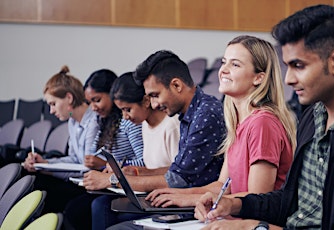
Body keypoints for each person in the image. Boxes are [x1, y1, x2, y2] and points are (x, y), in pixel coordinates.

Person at [194, 5, 334, 230]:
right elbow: (289, 200)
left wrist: (255, 228)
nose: (288, 79)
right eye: (287, 67)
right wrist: (233, 204)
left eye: (298, 66)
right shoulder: (313, 116)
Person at [146, 35, 297, 209]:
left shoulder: (262, 124)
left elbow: (258, 198)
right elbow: (222, 186)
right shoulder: (239, 122)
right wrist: (180, 194)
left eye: (235, 64)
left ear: (259, 78)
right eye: (224, 62)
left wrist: (192, 200)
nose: (223, 70)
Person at [106, 50, 226, 230]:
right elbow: (179, 168)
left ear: (176, 85)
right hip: (187, 202)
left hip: (198, 207)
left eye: (155, 95)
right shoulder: (191, 113)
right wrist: (140, 172)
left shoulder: (205, 114)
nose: (153, 105)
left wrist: (113, 181)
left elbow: (177, 179)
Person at [90, 72, 181, 229]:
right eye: (122, 111)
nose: (125, 117)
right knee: (100, 204)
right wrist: (136, 171)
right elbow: (153, 167)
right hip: (150, 192)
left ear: (146, 101)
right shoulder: (145, 124)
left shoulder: (171, 126)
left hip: (167, 197)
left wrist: (116, 179)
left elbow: (178, 175)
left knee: (104, 208)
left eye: (128, 109)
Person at [63, 69, 145, 229]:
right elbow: (94, 153)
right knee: (73, 208)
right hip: (111, 184)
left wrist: (107, 165)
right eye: (90, 102)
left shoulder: (129, 120)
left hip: (128, 184)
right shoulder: (103, 121)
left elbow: (144, 160)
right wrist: (97, 162)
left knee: (89, 208)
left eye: (97, 100)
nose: (93, 107)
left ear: (112, 94)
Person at [22, 65, 99, 214]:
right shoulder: (72, 121)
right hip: (78, 181)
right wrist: (44, 163)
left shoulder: (94, 121)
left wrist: (46, 169)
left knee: (42, 185)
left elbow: (86, 168)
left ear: (69, 98)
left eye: (53, 104)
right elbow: (74, 159)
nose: (51, 111)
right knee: (32, 177)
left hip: (88, 185)